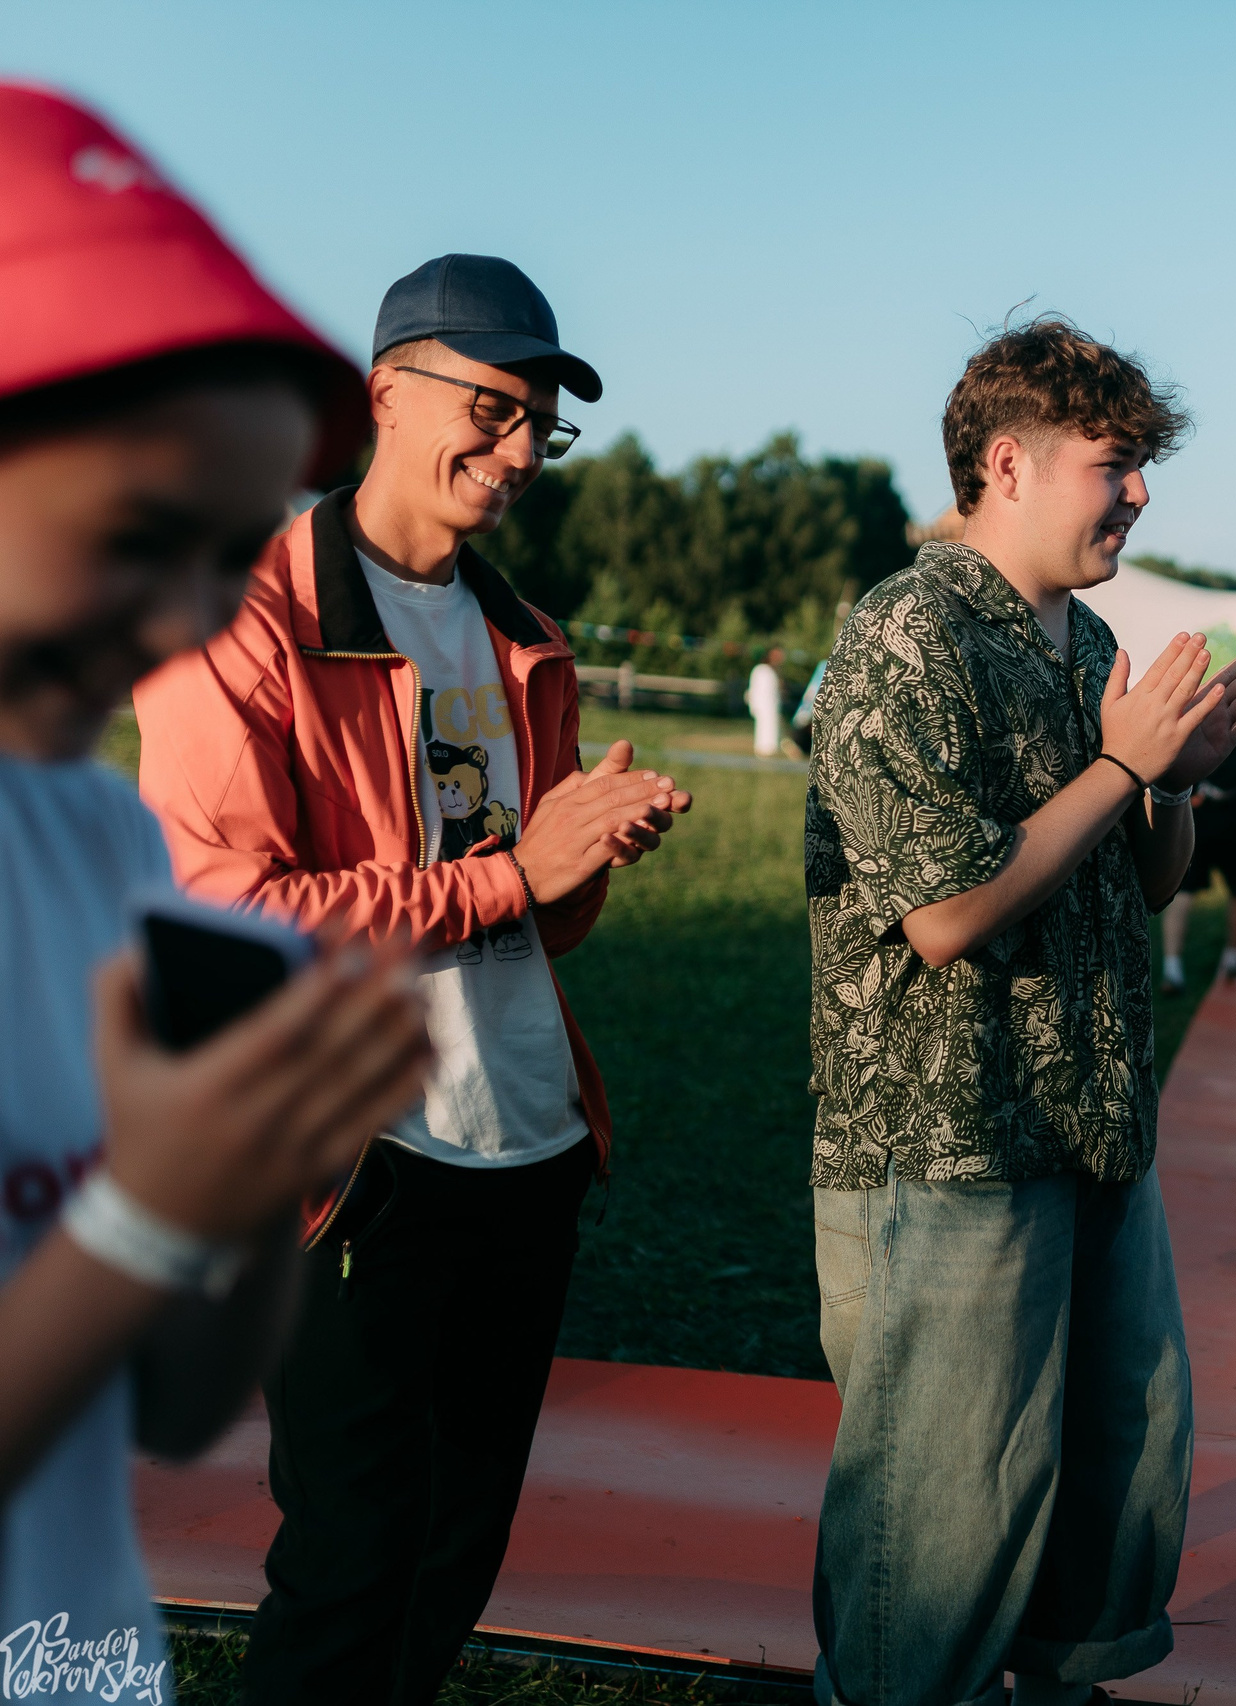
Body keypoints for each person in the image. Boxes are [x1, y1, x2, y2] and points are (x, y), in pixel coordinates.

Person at [136, 253, 692, 1703]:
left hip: (530, 1140)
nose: (517, 456)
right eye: (492, 410)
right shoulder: (238, 618)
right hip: (354, 1160)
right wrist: (514, 870)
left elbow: (536, 926)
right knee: (350, 1558)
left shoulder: (522, 634)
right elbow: (231, 918)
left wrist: (582, 857)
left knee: (456, 1547)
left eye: (539, 430)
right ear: (387, 390)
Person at [0, 84, 433, 1678]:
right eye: (138, 537)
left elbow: (179, 1402)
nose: (188, 617)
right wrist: (145, 1210)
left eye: (230, 554)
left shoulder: (102, 840)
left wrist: (252, 1181)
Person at [804, 318, 1236, 1706]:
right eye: (1114, 465)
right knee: (932, 1550)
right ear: (1007, 463)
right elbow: (946, 913)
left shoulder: (1091, 639)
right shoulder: (906, 628)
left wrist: (1173, 778)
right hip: (947, 1145)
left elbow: (1144, 878)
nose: (1138, 494)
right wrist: (1115, 764)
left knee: (1103, 1499)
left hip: (1093, 1124)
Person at [1159, 727, 1236, 991]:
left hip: (1198, 822)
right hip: (1229, 823)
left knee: (1184, 892)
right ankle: (1232, 957)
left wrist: (1198, 790)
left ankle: (1172, 968)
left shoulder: (1195, 726)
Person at [748, 644, 787, 756]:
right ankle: (764, 750)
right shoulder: (761, 670)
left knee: (772, 731)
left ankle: (771, 749)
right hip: (763, 706)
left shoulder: (773, 671)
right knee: (764, 730)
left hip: (773, 706)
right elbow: (755, 690)